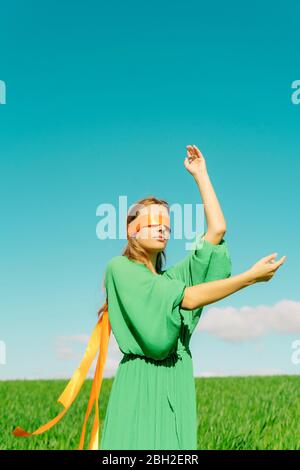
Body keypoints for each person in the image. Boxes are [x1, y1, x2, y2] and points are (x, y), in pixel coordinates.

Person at [12, 145, 286, 450]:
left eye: (167, 226)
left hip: (176, 381)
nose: (163, 229)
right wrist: (249, 278)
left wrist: (201, 174)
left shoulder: (172, 278)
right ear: (131, 230)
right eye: (154, 223)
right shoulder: (120, 269)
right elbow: (190, 299)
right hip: (140, 385)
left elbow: (217, 229)